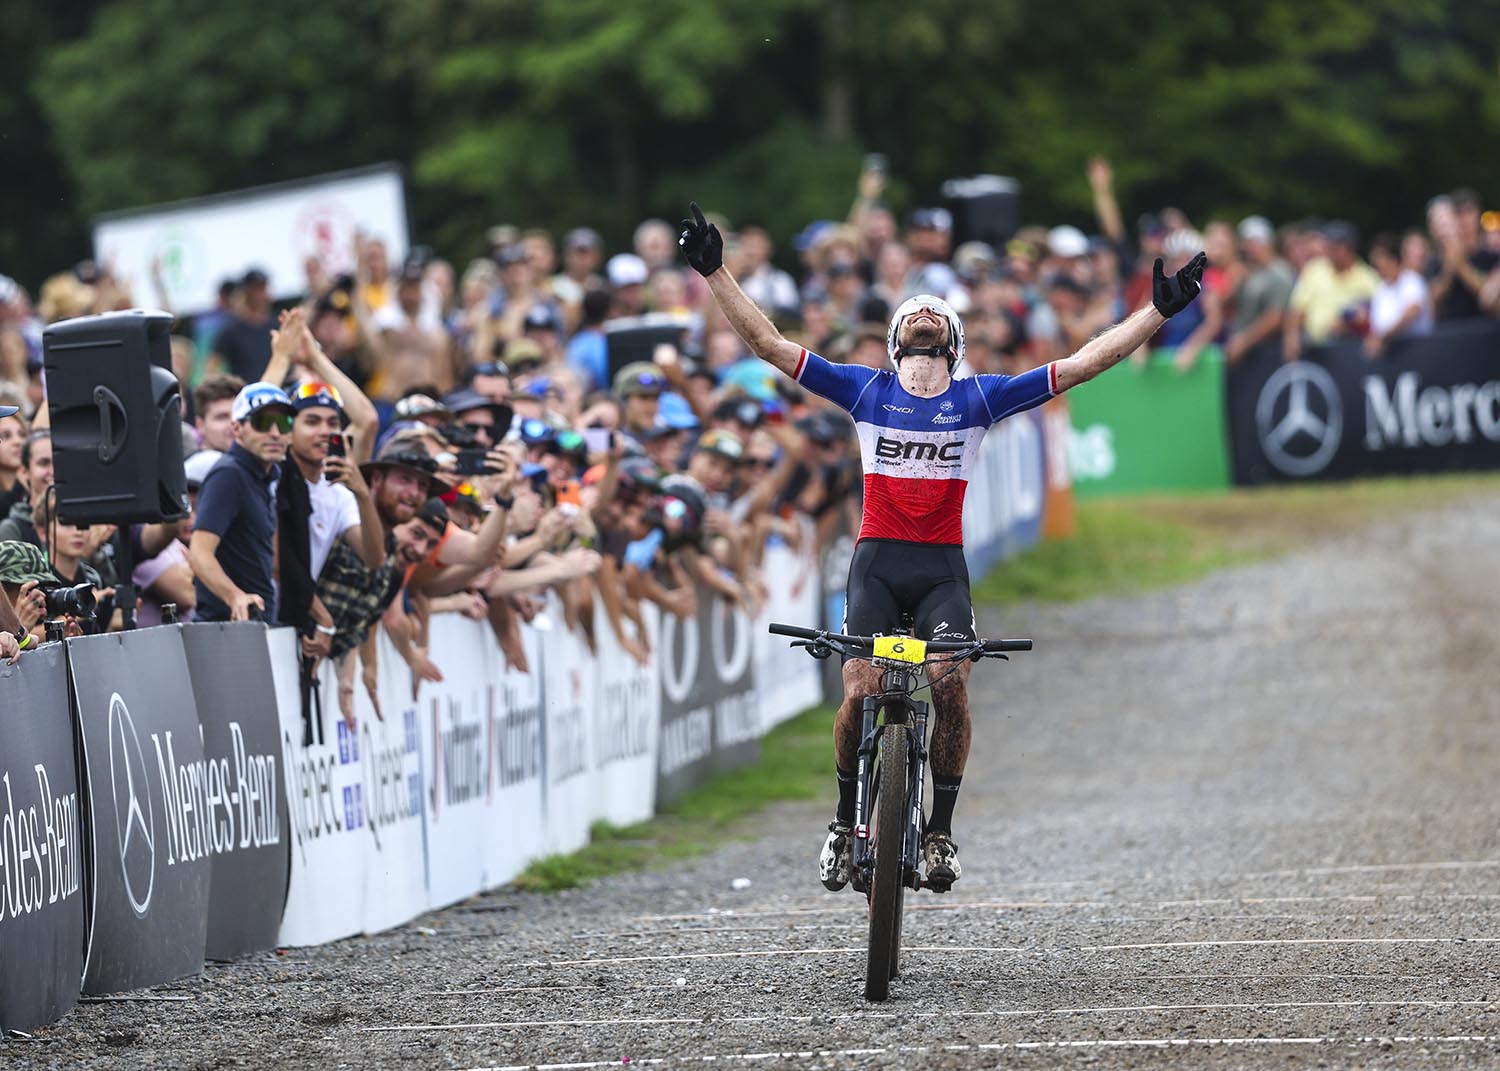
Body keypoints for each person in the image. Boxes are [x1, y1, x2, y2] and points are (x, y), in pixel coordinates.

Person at [679, 200, 1205, 892]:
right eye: (914, 323)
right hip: (877, 562)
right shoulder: (865, 390)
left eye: (935, 324)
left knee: (950, 685)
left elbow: (1079, 365)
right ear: (896, 344)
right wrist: (717, 272)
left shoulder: (979, 398)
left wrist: (1156, 314)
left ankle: (939, 834)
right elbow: (771, 347)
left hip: (938, 571)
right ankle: (843, 822)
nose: (924, 327)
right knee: (860, 685)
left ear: (951, 345)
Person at [188, 382, 294, 621]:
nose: (275, 432)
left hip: (249, 625)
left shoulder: (265, 474)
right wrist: (234, 596)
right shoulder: (229, 474)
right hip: (225, 629)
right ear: (237, 429)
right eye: (262, 422)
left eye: (285, 423)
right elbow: (199, 553)